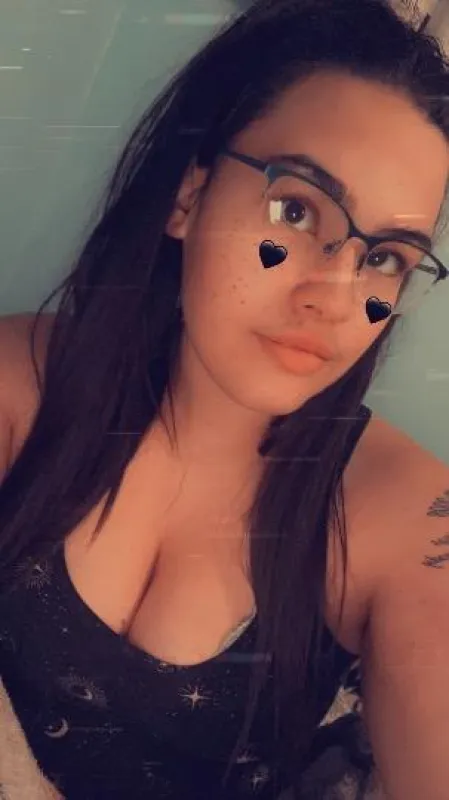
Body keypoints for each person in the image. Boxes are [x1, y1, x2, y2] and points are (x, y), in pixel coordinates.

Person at [0, 0, 449, 797]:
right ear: (188, 196)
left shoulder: (401, 516)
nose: (333, 296)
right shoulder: (23, 384)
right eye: (295, 210)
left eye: (384, 257)